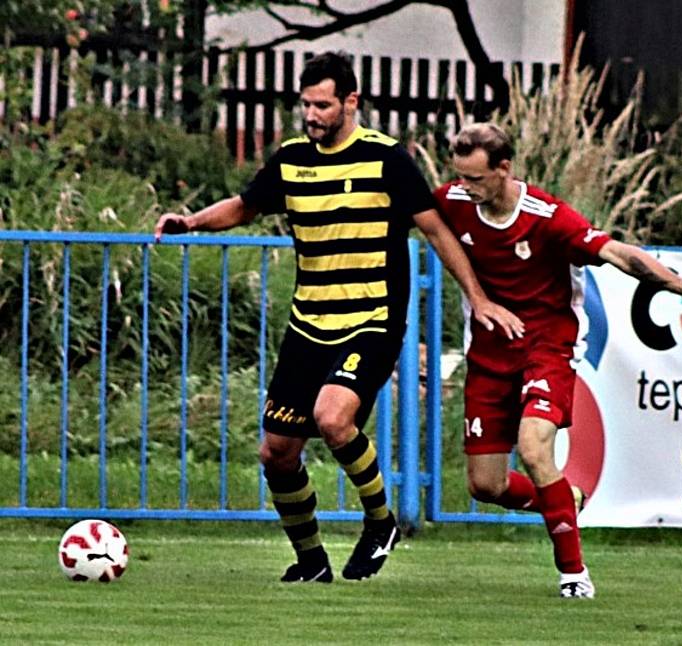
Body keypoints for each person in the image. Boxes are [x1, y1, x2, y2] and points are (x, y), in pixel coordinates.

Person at [154, 54, 523, 583]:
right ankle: (311, 562)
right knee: (277, 453)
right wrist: (190, 222)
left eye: (322, 104)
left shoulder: (386, 159)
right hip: (309, 323)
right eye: (305, 104)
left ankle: (380, 522)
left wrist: (479, 298)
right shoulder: (292, 160)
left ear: (351, 102)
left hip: (371, 318)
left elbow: (438, 232)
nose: (311, 114)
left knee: (333, 418)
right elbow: (245, 205)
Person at [432, 123, 682, 599]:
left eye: (476, 180)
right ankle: (563, 501)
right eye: (460, 178)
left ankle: (574, 574)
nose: (465, 189)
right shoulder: (453, 201)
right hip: (489, 354)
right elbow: (415, 214)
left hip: (546, 348)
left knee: (534, 448)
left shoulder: (547, 216)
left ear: (504, 169)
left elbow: (615, 252)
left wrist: (678, 285)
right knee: (484, 486)